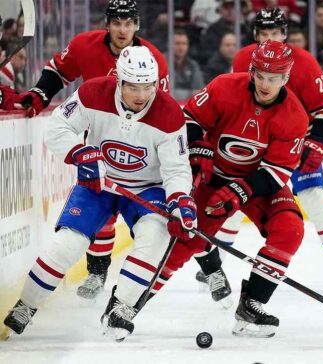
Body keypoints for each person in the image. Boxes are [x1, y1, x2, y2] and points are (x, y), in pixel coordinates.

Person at [3, 45, 196, 342]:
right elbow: (57, 128)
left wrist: (181, 199)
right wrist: (79, 152)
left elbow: (177, 170)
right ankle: (25, 306)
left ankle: (121, 307)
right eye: (133, 86)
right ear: (119, 80)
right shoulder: (92, 93)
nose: (141, 95)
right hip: (100, 183)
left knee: (155, 238)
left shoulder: (170, 114)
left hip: (148, 188)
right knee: (68, 244)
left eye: (147, 87)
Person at [0, 0, 170, 301]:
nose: (122, 29)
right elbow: (58, 71)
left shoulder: (151, 60)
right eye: (117, 23)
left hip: (139, 149)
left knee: (149, 220)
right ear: (107, 24)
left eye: (128, 23)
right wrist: (40, 94)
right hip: (100, 141)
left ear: (137, 26)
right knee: (99, 207)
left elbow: (161, 110)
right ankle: (97, 270)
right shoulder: (84, 45)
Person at [152, 40, 308, 338]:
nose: (265, 84)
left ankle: (252, 305)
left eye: (273, 78)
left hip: (258, 185)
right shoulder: (225, 87)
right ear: (251, 71)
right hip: (213, 178)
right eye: (260, 75)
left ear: (286, 77)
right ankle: (130, 301)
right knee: (186, 240)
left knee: (290, 228)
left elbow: (276, 172)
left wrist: (241, 190)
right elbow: (188, 119)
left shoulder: (295, 116)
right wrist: (199, 148)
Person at [196, 7, 323, 289]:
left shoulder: (304, 62)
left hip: (296, 144)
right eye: (264, 34)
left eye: (275, 34)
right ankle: (217, 255)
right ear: (255, 35)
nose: (269, 39)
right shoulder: (245, 59)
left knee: (316, 199)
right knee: (236, 198)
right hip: (256, 147)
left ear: (285, 34)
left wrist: (316, 144)